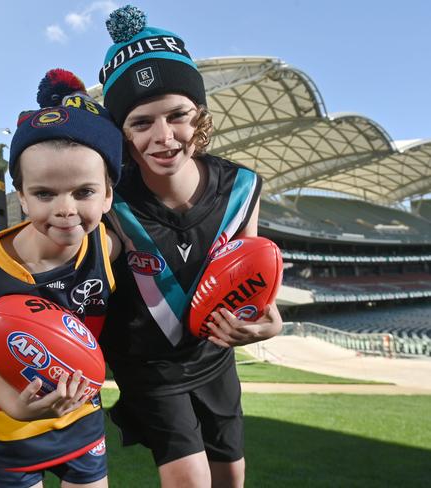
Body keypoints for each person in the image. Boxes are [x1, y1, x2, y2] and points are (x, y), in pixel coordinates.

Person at [97, 6, 283, 488]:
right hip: (148, 368)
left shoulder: (242, 187)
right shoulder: (109, 202)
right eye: (141, 123)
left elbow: (251, 278)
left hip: (215, 358)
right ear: (120, 131)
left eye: (178, 115)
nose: (163, 136)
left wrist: (267, 320)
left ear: (198, 113)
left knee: (231, 476)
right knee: (191, 481)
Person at [0, 69, 122, 488]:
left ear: (108, 195)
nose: (65, 208)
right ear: (22, 196)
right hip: (10, 422)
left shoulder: (108, 246)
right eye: (45, 194)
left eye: (83, 192)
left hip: (79, 410)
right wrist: (16, 406)